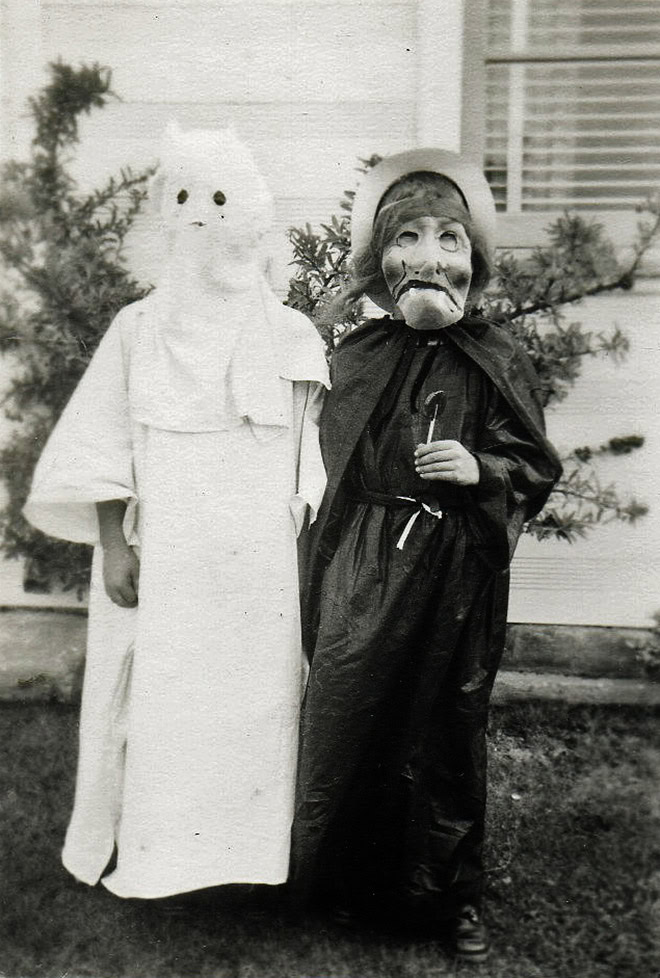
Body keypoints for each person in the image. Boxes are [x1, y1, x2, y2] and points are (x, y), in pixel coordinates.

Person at [24, 123, 329, 900]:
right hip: (164, 553)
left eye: (220, 199)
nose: (202, 216)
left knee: (250, 705)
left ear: (251, 214)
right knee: (162, 703)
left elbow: (304, 457)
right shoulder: (139, 330)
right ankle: (158, 855)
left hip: (251, 565)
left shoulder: (287, 335)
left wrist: (294, 539)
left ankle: (245, 861)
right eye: (185, 197)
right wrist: (113, 546)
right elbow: (101, 444)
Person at [292, 148, 562, 961]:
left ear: (473, 260)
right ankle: (349, 883)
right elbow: (314, 459)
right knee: (350, 713)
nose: (430, 253)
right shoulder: (355, 357)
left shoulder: (498, 356)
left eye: (450, 236)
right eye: (407, 234)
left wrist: (483, 468)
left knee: (446, 726)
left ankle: (449, 898)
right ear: (382, 257)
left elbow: (535, 465)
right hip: (365, 563)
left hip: (452, 566)